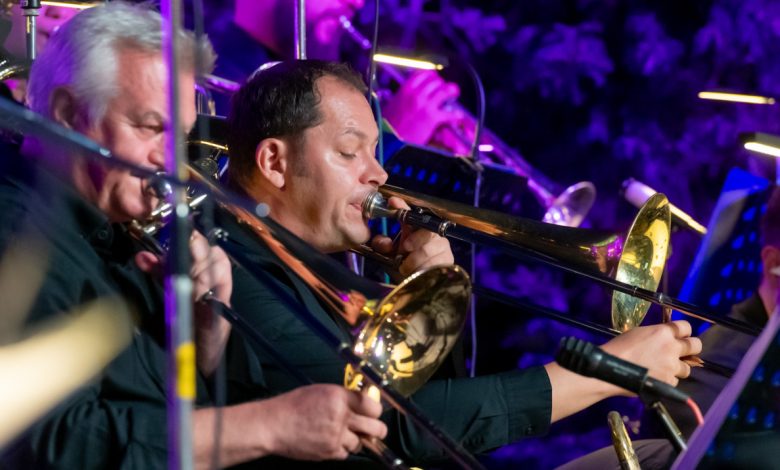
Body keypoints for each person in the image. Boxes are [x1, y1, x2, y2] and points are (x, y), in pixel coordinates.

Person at [221, 59, 702, 464]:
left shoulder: (321, 266)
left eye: (374, 151)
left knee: (662, 455)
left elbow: (438, 433)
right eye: (350, 152)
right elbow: (395, 423)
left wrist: (429, 294)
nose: (379, 173)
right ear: (275, 163)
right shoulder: (237, 267)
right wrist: (602, 372)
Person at [0, 3, 387, 468]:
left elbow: (177, 408)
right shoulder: (16, 235)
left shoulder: (126, 235)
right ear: (67, 113)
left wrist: (206, 336)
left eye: (179, 136)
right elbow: (54, 445)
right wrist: (269, 426)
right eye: (151, 127)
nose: (171, 160)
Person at [206, 0, 467, 151]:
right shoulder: (214, 76)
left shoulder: (309, 78)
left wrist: (427, 165)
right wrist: (391, 139)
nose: (357, 3)